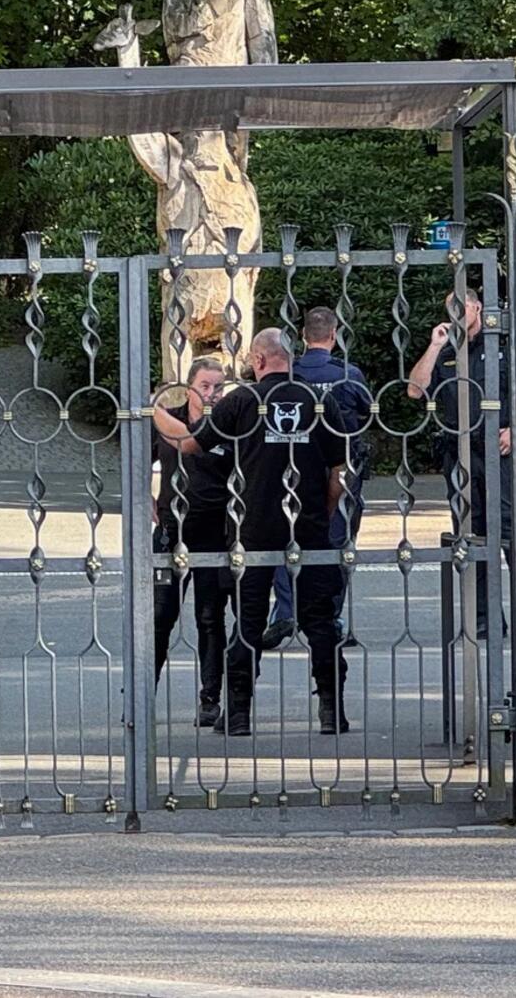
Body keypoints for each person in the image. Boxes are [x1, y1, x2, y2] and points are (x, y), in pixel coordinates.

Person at [157, 329, 351, 735]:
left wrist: (149, 410)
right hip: (308, 523)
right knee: (320, 621)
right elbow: (339, 470)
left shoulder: (244, 401)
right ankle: (332, 711)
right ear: (290, 359)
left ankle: (239, 714)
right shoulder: (319, 400)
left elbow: (192, 445)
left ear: (259, 361)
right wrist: (324, 511)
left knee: (248, 622)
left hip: (254, 526)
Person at [407, 287, 515, 637]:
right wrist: (436, 344)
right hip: (461, 455)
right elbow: (415, 389)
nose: (455, 312)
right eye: (450, 308)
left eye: (460, 306)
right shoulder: (448, 352)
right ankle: (485, 619)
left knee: (511, 535)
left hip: (500, 453)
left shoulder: (503, 345)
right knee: (471, 534)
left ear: (477, 307)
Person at [266, 307, 373, 650]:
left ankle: (285, 611)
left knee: (287, 536)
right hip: (342, 466)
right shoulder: (348, 374)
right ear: (334, 333)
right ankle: (329, 616)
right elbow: (368, 414)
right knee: (337, 541)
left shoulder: (291, 373)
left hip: (294, 466)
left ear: (302, 335)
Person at [150, 358, 236, 728]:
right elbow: (138, 461)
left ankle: (210, 697)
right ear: (189, 388)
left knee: (210, 617)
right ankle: (141, 695)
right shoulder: (167, 418)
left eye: (218, 387)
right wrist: (147, 498)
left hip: (214, 530)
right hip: (172, 530)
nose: (212, 393)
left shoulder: (228, 425)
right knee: (159, 617)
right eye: (205, 385)